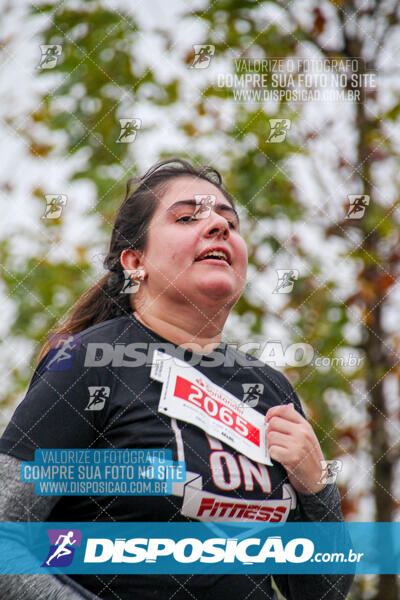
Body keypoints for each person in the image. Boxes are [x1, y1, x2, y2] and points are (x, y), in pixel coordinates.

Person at [0, 158, 353, 599]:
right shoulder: (89, 361)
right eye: (188, 217)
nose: (219, 228)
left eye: (230, 222)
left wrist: (317, 489)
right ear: (135, 261)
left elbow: (322, 590)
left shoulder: (270, 389)